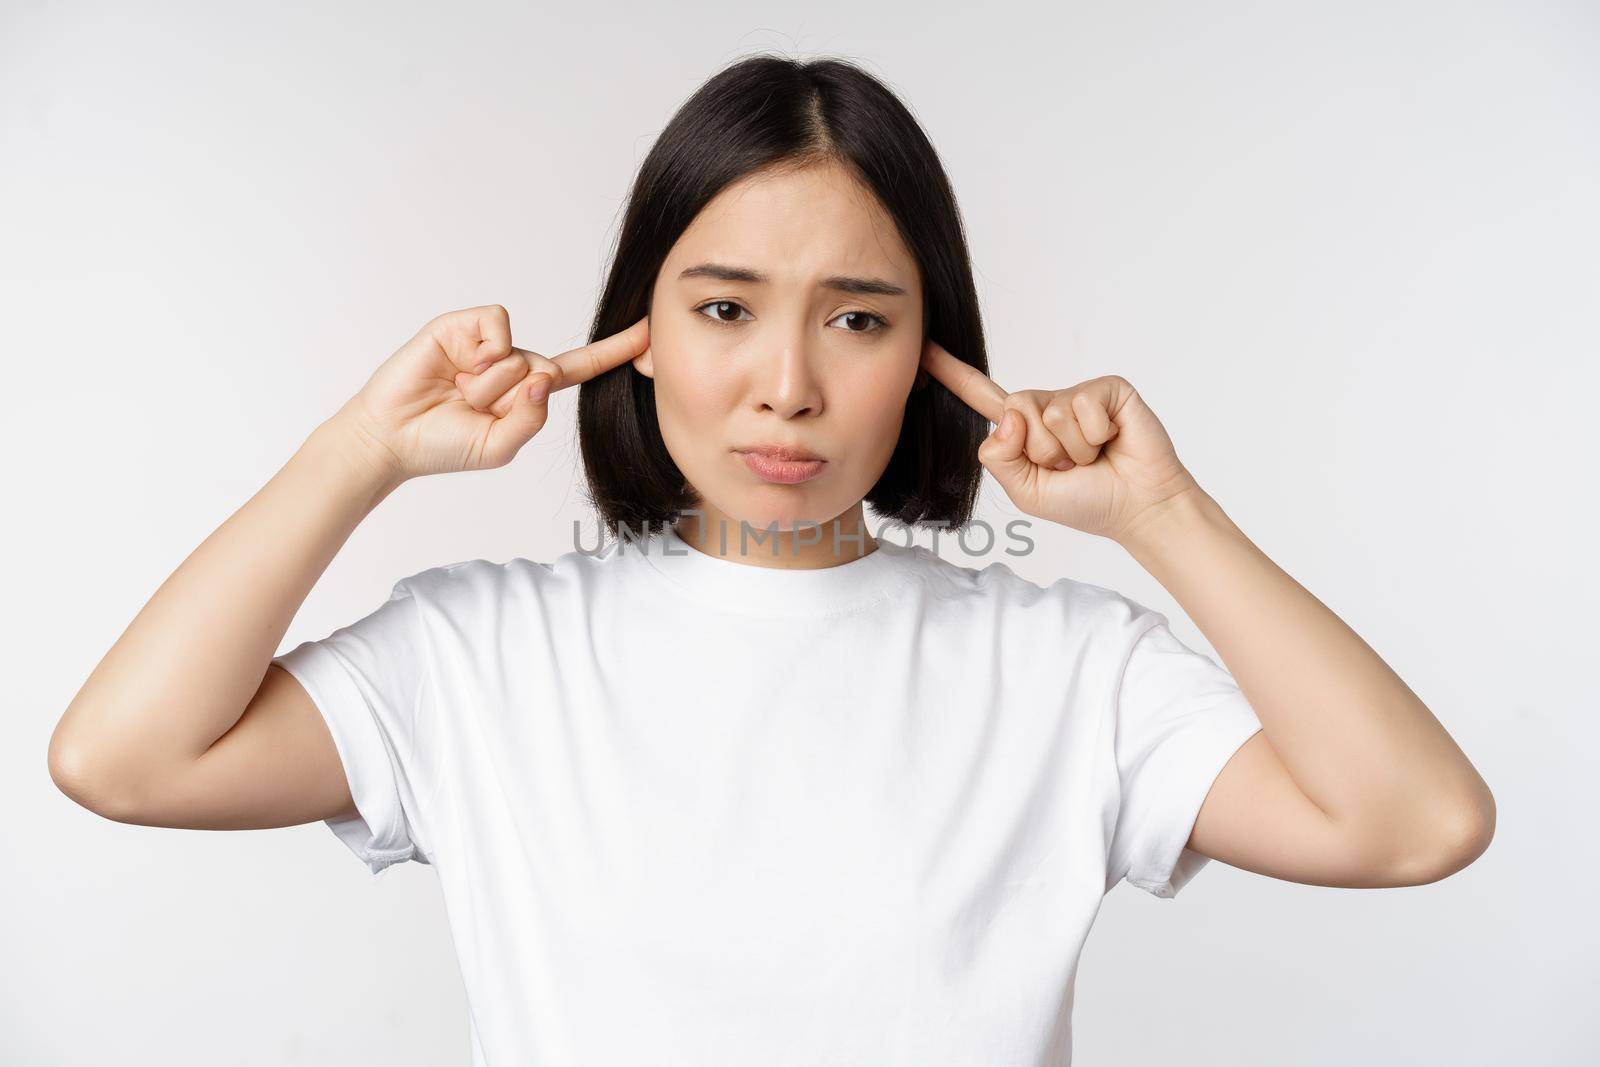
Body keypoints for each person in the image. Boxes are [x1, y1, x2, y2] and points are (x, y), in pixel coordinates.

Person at [48, 53, 1495, 1065]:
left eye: (858, 319)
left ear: (937, 353)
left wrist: (1164, 516)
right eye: (726, 308)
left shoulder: (1068, 672)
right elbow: (127, 759)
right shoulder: (484, 658)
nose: (787, 385)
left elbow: (1416, 823)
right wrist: (358, 450)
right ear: (639, 332)